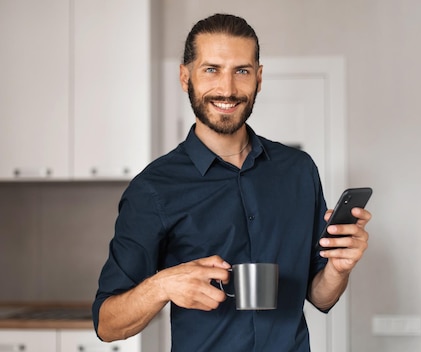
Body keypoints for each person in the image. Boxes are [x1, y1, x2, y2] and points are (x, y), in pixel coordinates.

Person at [92, 13, 371, 351]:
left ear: (259, 77)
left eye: (241, 71)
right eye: (211, 69)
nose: (227, 89)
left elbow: (318, 295)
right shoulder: (153, 188)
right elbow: (107, 325)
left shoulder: (298, 170)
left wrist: (339, 269)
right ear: (185, 77)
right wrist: (162, 285)